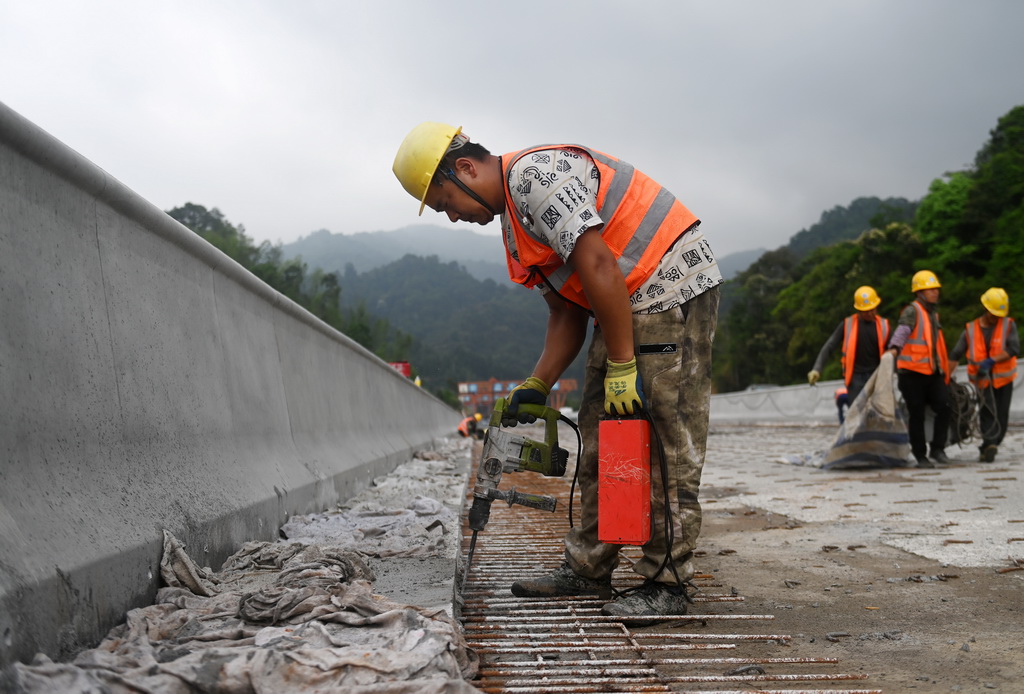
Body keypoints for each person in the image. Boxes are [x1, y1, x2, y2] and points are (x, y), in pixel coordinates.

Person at [393, 123, 722, 621]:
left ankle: (668, 581)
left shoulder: (536, 177)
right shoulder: (512, 224)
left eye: (445, 204)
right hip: (624, 301)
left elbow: (599, 264)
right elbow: (566, 312)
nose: (453, 217)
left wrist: (624, 364)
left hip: (667, 286)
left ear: (465, 168)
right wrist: (537, 384)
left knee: (661, 442)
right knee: (603, 434)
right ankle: (589, 569)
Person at [886, 270, 952, 467]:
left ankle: (938, 449)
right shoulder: (912, 311)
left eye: (935, 289)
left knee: (945, 407)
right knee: (917, 414)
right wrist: (894, 349)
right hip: (911, 374)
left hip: (932, 372)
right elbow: (902, 331)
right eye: (930, 289)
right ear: (919, 293)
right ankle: (920, 455)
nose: (935, 292)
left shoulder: (933, 314)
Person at [948, 288, 1018, 463]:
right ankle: (989, 444)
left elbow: (1014, 348)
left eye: (999, 315)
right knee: (987, 413)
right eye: (993, 314)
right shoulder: (970, 330)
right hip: (981, 381)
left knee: (1001, 417)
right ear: (985, 309)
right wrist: (946, 377)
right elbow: (956, 354)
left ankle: (989, 445)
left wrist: (991, 361)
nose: (996, 318)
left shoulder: (1008, 325)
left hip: (1003, 379)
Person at [807, 286, 891, 415]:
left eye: (872, 309)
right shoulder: (848, 325)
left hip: (877, 377)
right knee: (857, 416)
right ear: (858, 310)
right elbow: (829, 346)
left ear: (877, 306)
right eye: (865, 311)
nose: (869, 313)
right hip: (855, 379)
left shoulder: (884, 325)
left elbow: (896, 349)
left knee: (877, 416)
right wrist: (817, 369)